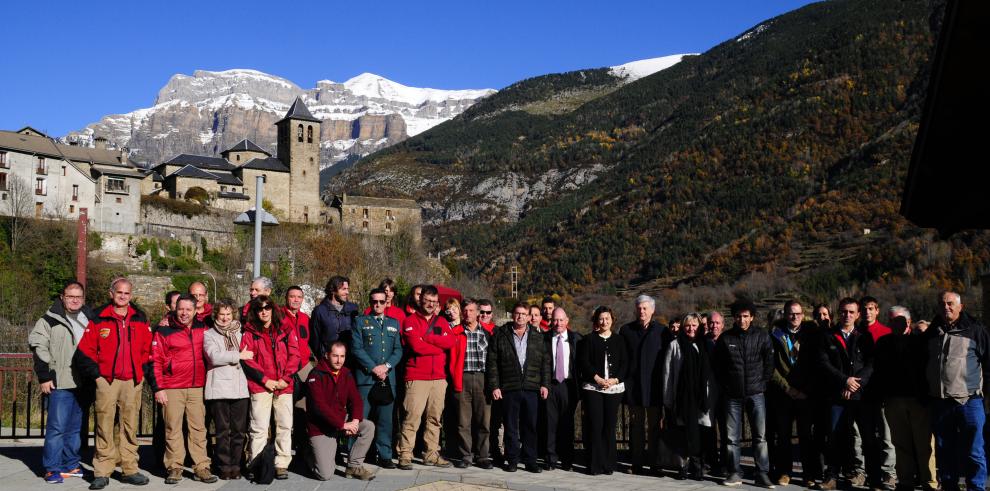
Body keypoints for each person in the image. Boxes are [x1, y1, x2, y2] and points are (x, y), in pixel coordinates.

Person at [73, 277, 152, 490]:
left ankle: (129, 469)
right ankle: (102, 471)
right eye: (119, 293)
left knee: (130, 426)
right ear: (111, 294)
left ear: (131, 295)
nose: (123, 296)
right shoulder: (99, 318)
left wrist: (142, 371)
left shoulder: (140, 318)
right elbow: (84, 351)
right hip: (107, 380)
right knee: (104, 425)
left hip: (132, 381)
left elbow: (147, 349)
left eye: (127, 293)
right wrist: (97, 376)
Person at [148, 295, 217, 484]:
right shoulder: (163, 330)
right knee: (173, 428)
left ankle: (201, 466)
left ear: (195, 311)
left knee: (198, 428)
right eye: (181, 309)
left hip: (197, 386)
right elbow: (155, 360)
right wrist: (158, 388)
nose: (184, 313)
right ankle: (174, 467)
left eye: (188, 309)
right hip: (172, 386)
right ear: (174, 309)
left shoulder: (203, 328)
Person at [29, 281, 94, 484]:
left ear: (83, 299)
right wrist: (45, 377)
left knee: (75, 427)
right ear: (62, 297)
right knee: (57, 427)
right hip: (60, 382)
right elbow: (39, 347)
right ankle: (52, 468)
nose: (75, 300)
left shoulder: (90, 318)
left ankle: (71, 464)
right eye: (70, 296)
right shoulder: (49, 320)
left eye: (78, 297)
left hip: (83, 382)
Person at [926, 291, 989, 491]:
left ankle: (976, 488)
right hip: (941, 402)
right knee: (945, 451)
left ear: (960, 307)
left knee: (974, 451)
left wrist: (986, 397)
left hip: (970, 401)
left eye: (951, 303)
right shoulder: (932, 332)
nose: (946, 307)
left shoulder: (976, 330)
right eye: (942, 303)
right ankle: (949, 487)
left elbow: (988, 365)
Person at [873, 307, 937, 491]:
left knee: (924, 444)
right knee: (900, 443)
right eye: (892, 320)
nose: (895, 324)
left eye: (899, 320)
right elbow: (879, 371)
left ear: (908, 322)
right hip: (893, 400)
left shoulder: (920, 342)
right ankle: (906, 481)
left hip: (918, 400)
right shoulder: (883, 343)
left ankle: (929, 482)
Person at [713, 299, 774, 488]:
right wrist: (726, 387)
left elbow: (769, 363)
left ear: (752, 317)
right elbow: (718, 367)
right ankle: (734, 472)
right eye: (738, 316)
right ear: (734, 318)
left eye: (746, 316)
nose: (742, 319)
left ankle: (762, 473)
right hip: (733, 396)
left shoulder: (762, 336)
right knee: (732, 438)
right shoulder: (726, 339)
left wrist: (762, 384)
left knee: (760, 436)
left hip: (756, 394)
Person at [817, 297, 876, 491]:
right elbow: (824, 364)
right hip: (836, 394)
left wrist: (855, 384)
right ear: (838, 313)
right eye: (843, 311)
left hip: (861, 396)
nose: (847, 315)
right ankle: (832, 476)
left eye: (851, 312)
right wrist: (844, 380)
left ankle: (873, 476)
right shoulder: (828, 336)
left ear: (858, 314)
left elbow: (870, 364)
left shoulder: (865, 336)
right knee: (834, 436)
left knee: (867, 437)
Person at [241, 295, 300, 480]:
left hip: (284, 385)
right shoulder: (249, 332)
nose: (264, 311)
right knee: (258, 427)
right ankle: (256, 464)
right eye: (260, 309)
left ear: (273, 309)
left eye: (267, 307)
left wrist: (286, 378)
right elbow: (247, 359)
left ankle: (281, 464)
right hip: (261, 386)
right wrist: (265, 379)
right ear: (255, 312)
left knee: (284, 425)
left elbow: (295, 355)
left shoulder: (286, 328)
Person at [397, 285, 457, 469]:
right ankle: (405, 454)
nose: (430, 304)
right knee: (412, 416)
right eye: (427, 300)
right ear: (420, 300)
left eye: (434, 301)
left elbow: (450, 341)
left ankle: (431, 453)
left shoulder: (441, 322)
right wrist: (437, 347)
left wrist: (427, 339)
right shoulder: (409, 321)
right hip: (416, 376)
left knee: (434, 418)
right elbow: (416, 347)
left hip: (439, 378)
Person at [487, 302, 550, 473]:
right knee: (511, 426)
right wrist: (495, 386)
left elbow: (545, 363)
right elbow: (492, 363)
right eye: (517, 313)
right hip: (509, 387)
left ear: (529, 317)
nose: (520, 316)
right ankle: (512, 460)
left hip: (531, 387)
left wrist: (544, 384)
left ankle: (531, 461)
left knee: (530, 426)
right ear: (512, 315)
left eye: (524, 314)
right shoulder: (500, 334)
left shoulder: (538, 336)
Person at [304, 342, 378, 481]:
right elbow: (319, 407)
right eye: (335, 356)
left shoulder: (346, 373)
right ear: (327, 355)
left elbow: (356, 399)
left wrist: (355, 421)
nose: (339, 360)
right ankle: (308, 454)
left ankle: (354, 466)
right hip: (321, 427)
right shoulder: (315, 375)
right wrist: (343, 425)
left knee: (368, 426)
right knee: (325, 475)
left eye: (342, 356)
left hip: (339, 422)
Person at [350, 288, 404, 469]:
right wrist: (374, 368)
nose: (378, 305)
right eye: (374, 301)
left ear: (386, 302)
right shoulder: (360, 322)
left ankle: (385, 455)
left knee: (385, 420)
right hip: (366, 378)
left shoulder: (394, 324)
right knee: (361, 418)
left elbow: (398, 350)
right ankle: (356, 456)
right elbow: (356, 348)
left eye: (382, 301)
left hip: (386, 379)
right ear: (370, 302)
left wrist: (386, 367)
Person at [767, 300, 817, 487]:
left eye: (797, 313)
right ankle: (784, 472)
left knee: (806, 436)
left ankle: (808, 474)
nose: (794, 316)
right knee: (783, 436)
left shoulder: (811, 335)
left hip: (805, 394)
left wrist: (805, 390)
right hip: (783, 394)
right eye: (790, 313)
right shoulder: (775, 335)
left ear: (802, 315)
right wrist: (788, 388)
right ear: (785, 314)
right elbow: (771, 367)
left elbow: (817, 364)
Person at [662, 313, 717, 480]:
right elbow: (667, 374)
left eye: (694, 325)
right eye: (687, 325)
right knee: (683, 433)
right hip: (682, 398)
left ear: (699, 326)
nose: (691, 329)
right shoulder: (675, 345)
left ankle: (698, 465)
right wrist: (667, 399)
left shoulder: (705, 345)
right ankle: (683, 466)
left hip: (702, 398)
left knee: (700, 432)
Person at [203, 300, 252, 480]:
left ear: (234, 315)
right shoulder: (209, 335)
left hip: (240, 387)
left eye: (228, 314)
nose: (225, 318)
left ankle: (236, 465)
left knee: (239, 430)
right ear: (216, 315)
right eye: (221, 314)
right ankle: (224, 466)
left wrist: (241, 356)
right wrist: (238, 355)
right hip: (219, 388)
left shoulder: (242, 333)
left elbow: (251, 355)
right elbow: (214, 357)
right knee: (222, 431)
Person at [619, 295, 666, 475]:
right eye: (639, 308)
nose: (642, 311)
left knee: (655, 428)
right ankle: (636, 462)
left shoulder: (662, 332)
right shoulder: (626, 330)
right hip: (634, 388)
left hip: (654, 388)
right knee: (635, 427)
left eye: (645, 308)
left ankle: (655, 463)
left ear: (652, 310)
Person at [577, 306, 627, 476]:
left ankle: (609, 464)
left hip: (614, 388)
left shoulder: (619, 340)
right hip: (594, 388)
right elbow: (584, 361)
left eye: (607, 318)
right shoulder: (589, 339)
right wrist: (597, 378)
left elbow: (625, 363)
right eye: (601, 318)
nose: (604, 321)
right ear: (596, 321)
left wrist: (615, 379)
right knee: (596, 425)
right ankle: (594, 465)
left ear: (612, 320)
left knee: (609, 427)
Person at [449, 299, 495, 469]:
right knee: (463, 422)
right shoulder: (456, 332)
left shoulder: (489, 333)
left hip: (483, 379)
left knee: (484, 421)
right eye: (465, 310)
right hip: (463, 378)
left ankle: (483, 456)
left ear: (477, 312)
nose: (468, 313)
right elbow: (451, 359)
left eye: (471, 310)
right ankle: (466, 456)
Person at [859, 296, 896, 490]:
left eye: (871, 308)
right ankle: (869, 474)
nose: (867, 312)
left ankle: (889, 474)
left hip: (882, 393)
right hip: (862, 393)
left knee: (886, 436)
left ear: (877, 310)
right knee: (866, 437)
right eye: (864, 309)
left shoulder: (886, 333)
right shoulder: (856, 332)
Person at [540, 307, 580, 471]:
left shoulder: (575, 338)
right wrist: (543, 383)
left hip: (569, 386)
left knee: (567, 424)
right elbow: (541, 364)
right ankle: (551, 459)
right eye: (555, 320)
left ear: (567, 321)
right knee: (550, 424)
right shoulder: (544, 338)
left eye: (561, 320)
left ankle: (567, 460)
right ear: (551, 321)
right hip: (550, 385)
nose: (558, 323)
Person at [310, 276, 358, 361]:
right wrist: (321, 355)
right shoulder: (319, 311)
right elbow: (315, 338)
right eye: (343, 289)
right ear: (333, 290)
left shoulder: (353, 309)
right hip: (327, 359)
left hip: (349, 359)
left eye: (347, 289)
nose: (347, 292)